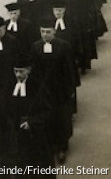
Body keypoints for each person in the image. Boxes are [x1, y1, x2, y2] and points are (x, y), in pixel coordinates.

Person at [30, 17, 78, 164]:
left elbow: (70, 69)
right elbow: (33, 71)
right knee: (47, 119)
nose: (45, 35)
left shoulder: (64, 46)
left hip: (60, 89)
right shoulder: (35, 47)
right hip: (43, 91)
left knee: (62, 119)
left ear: (54, 32)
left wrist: (70, 90)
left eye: (48, 32)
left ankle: (62, 148)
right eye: (43, 32)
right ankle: (51, 145)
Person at [8, 58, 56, 178]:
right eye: (15, 71)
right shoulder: (10, 85)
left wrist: (32, 123)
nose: (18, 75)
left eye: (21, 71)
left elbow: (48, 111)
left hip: (36, 135)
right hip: (17, 135)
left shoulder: (38, 86)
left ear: (28, 70)